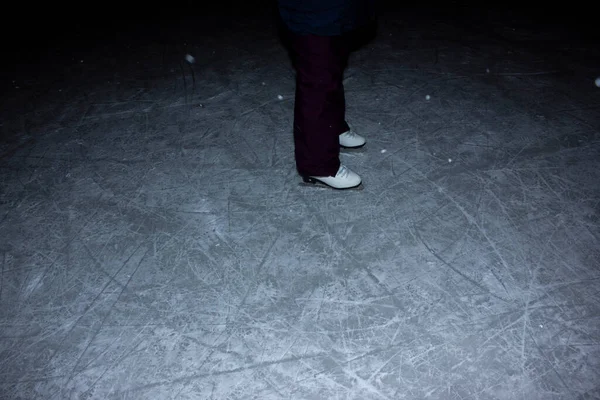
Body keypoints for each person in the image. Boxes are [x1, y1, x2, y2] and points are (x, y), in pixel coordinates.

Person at [277, 0, 377, 189]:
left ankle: (333, 128)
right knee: (318, 77)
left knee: (332, 68)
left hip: (336, 9)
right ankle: (318, 165)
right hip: (314, 11)